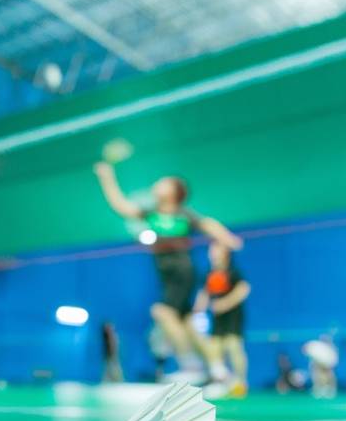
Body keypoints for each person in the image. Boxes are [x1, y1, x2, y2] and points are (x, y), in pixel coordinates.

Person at [93, 161, 242, 384]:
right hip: (166, 274)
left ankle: (191, 367)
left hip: (181, 269)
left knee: (162, 312)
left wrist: (227, 237)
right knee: (187, 324)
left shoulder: (183, 215)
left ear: (174, 192)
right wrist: (107, 177)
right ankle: (218, 371)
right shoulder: (151, 213)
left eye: (164, 183)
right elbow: (122, 206)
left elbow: (208, 224)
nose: (157, 184)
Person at [194, 242, 251, 398]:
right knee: (213, 348)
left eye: (215, 249)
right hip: (216, 319)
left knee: (233, 346)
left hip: (233, 318)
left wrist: (225, 303)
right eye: (210, 250)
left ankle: (241, 382)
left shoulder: (233, 271)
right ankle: (222, 381)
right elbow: (204, 293)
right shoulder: (208, 273)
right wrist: (199, 307)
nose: (212, 253)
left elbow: (244, 289)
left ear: (225, 252)